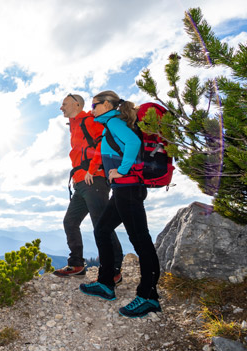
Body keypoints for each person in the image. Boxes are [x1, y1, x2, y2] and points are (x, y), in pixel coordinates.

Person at [79, 90, 162, 318]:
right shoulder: (112, 124)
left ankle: (148, 297)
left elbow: (133, 143)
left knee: (140, 240)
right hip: (122, 191)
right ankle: (106, 283)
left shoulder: (114, 122)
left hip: (129, 189)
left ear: (107, 105)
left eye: (95, 104)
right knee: (102, 230)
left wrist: (122, 171)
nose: (92, 108)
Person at [54, 93, 123, 283]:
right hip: (81, 183)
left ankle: (115, 269)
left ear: (77, 104)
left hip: (95, 180)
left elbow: (103, 143)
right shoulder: (75, 125)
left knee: (102, 224)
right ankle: (76, 265)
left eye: (64, 103)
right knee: (70, 221)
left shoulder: (89, 120)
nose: (61, 107)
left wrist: (92, 170)